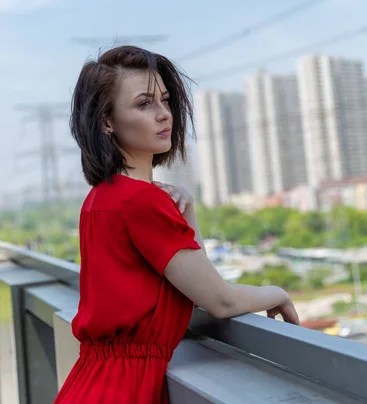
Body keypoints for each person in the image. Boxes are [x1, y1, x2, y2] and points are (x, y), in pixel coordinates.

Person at [54, 45, 299, 404]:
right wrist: (278, 293)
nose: (163, 115)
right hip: (125, 390)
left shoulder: (101, 199)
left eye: (165, 101)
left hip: (89, 384)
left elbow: (197, 280)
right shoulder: (141, 201)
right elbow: (219, 300)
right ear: (106, 121)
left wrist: (187, 210)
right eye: (144, 104)